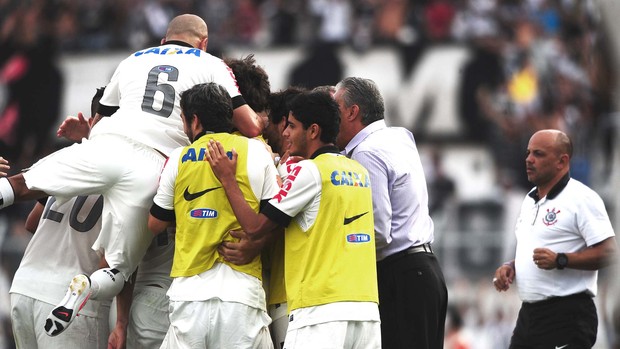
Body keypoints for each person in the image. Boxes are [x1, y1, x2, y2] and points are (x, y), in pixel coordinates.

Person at [0, 13, 263, 337]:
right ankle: (87, 287)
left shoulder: (133, 59)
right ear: (204, 43)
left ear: (164, 40)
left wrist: (88, 136)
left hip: (108, 146)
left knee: (25, 182)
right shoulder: (208, 68)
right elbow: (250, 124)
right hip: (152, 166)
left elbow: (102, 115)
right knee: (117, 265)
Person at [206, 89, 381, 348]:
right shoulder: (359, 172)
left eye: (291, 125)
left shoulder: (309, 171)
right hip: (366, 312)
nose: (285, 132)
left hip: (320, 313)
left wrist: (228, 179)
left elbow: (255, 228)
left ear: (313, 131)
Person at [148, 82, 279, 348]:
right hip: (242, 294)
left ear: (194, 120)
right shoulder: (257, 151)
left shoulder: (179, 157)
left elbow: (155, 224)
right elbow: (277, 219)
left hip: (190, 293)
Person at [333, 77, 448, 349]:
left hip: (401, 274)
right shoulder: (399, 136)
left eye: (335, 108)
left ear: (353, 112)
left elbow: (377, 231)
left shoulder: (366, 153)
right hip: (425, 269)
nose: (331, 117)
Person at [492, 129, 618, 348]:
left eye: (538, 154)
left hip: (567, 315)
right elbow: (535, 251)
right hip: (529, 316)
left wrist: (562, 260)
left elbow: (609, 252)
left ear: (562, 161)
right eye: (528, 152)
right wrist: (511, 266)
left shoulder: (582, 198)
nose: (529, 159)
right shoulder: (529, 200)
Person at [9, 87, 112, 349]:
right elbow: (112, 259)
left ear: (92, 120)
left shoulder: (68, 158)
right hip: (71, 298)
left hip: (25, 286)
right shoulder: (132, 168)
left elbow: (32, 222)